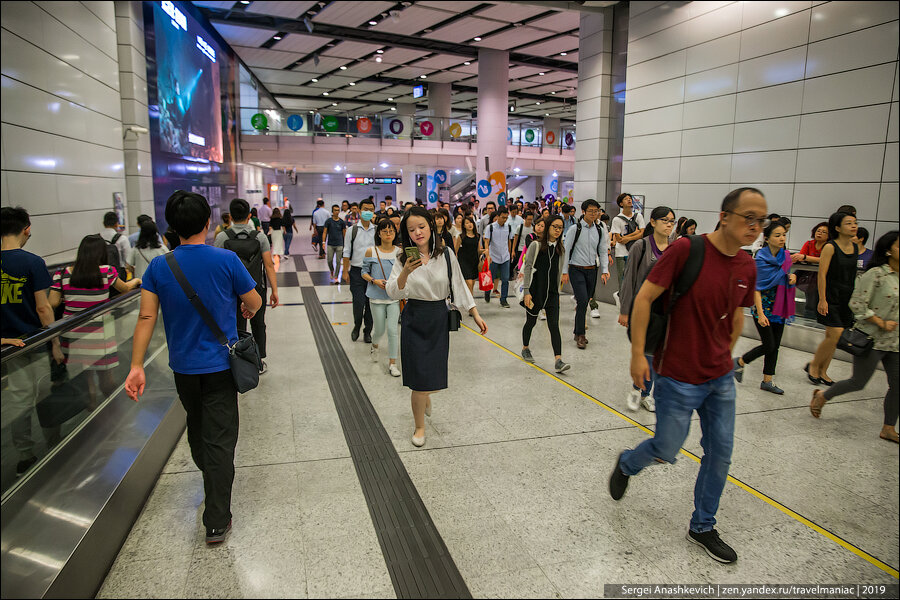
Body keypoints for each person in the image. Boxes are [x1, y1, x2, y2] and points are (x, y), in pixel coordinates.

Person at [609, 187, 765, 565]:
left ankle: (702, 526)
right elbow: (644, 297)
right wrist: (637, 354)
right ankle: (628, 463)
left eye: (762, 220)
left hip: (719, 378)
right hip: (676, 374)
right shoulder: (687, 250)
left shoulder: (746, 265)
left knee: (720, 453)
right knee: (667, 449)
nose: (756, 226)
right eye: (749, 218)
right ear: (725, 216)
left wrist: (723, 357)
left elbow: (738, 315)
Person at [125, 190, 262, 545]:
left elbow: (145, 317)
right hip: (219, 366)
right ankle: (217, 519)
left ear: (172, 227)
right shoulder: (226, 259)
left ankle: (211, 479)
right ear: (208, 223)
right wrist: (246, 308)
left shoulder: (159, 266)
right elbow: (254, 301)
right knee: (220, 438)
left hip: (183, 369)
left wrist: (136, 365)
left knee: (199, 428)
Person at [385, 207, 487, 447]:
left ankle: (426, 393)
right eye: (411, 230)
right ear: (406, 233)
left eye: (421, 226)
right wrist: (405, 273)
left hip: (438, 317)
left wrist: (475, 313)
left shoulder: (446, 254)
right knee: (419, 380)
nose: (418, 232)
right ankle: (419, 426)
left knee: (432, 376)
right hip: (414, 317)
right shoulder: (402, 258)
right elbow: (392, 292)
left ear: (431, 225)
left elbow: (459, 285)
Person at [810, 231, 898, 443]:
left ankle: (888, 427)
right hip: (871, 338)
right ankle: (822, 396)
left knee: (898, 385)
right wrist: (880, 322)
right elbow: (856, 304)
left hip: (895, 342)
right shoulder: (876, 274)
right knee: (858, 382)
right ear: (887, 250)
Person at [1, 206, 61, 476]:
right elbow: (43, 308)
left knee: (18, 400)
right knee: (45, 393)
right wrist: (55, 343)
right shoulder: (32, 262)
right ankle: (55, 444)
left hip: (8, 346)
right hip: (34, 341)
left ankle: (25, 455)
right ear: (26, 229)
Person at [50, 235, 142, 406]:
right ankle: (114, 410)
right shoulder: (107, 271)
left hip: (74, 335)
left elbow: (52, 303)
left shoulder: (61, 273)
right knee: (106, 376)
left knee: (87, 379)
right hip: (101, 333)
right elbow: (125, 288)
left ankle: (91, 407)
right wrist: (136, 280)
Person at [618, 206, 676, 412]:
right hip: (645, 310)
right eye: (665, 220)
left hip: (667, 312)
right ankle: (641, 391)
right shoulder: (641, 247)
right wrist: (625, 310)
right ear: (652, 222)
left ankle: (646, 390)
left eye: (672, 221)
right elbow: (629, 280)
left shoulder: (675, 249)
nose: (669, 224)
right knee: (649, 353)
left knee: (661, 355)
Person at [215, 198, 279, 374]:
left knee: (236, 325)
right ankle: (258, 361)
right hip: (256, 289)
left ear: (231, 216)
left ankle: (238, 362)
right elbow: (268, 265)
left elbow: (217, 266)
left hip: (230, 292)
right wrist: (274, 290)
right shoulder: (259, 237)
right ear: (249, 215)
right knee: (258, 324)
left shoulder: (222, 237)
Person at [733, 221, 797, 395]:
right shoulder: (760, 260)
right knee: (769, 345)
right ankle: (739, 362)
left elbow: (785, 277)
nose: (782, 238)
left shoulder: (785, 257)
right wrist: (760, 313)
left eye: (784, 234)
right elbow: (756, 289)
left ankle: (767, 380)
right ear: (767, 239)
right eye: (777, 235)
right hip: (763, 308)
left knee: (774, 346)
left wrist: (791, 277)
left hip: (780, 307)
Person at [807, 212, 859, 385]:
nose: (853, 226)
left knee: (833, 336)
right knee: (834, 334)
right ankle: (814, 366)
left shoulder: (855, 246)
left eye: (855, 223)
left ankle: (823, 370)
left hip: (847, 296)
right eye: (848, 223)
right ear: (837, 228)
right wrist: (822, 299)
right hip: (830, 294)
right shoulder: (830, 247)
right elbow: (822, 275)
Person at [520, 215, 570, 374]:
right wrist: (527, 291)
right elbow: (527, 268)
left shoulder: (560, 248)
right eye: (554, 226)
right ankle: (525, 348)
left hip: (552, 294)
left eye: (560, 227)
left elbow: (557, 272)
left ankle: (558, 360)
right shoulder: (535, 245)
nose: (557, 230)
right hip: (536, 292)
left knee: (554, 326)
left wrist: (558, 294)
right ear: (548, 227)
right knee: (531, 322)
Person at [563, 199, 610, 349]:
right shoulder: (574, 229)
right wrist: (564, 271)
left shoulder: (599, 230)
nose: (594, 214)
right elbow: (566, 251)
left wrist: (605, 270)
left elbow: (602, 251)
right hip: (576, 269)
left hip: (592, 270)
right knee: (582, 300)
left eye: (596, 211)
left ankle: (577, 331)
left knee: (586, 300)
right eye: (590, 211)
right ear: (583, 212)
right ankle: (581, 334)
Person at [361, 220, 402, 377]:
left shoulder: (399, 252)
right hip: (376, 297)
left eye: (391, 231)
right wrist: (374, 280)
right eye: (385, 231)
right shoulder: (371, 251)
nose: (388, 233)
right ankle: (375, 344)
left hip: (393, 297)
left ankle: (393, 363)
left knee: (392, 330)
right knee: (379, 329)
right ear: (379, 234)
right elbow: (363, 272)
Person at [343, 198, 377, 342]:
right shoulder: (352, 230)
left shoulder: (377, 230)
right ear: (359, 210)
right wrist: (345, 271)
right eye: (365, 209)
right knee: (359, 302)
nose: (368, 212)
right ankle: (357, 325)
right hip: (356, 271)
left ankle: (367, 331)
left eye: (370, 209)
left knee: (370, 305)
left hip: (373, 272)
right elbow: (346, 251)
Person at [610, 193, 646, 290]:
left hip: (635, 250)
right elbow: (619, 239)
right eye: (626, 199)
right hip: (621, 253)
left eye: (630, 199)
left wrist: (627, 238)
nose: (629, 200)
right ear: (621, 204)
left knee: (636, 276)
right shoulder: (617, 219)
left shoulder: (638, 216)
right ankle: (622, 298)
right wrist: (635, 233)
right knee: (623, 278)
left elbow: (642, 233)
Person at [483, 206, 513, 308]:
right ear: (498, 216)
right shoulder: (490, 227)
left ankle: (503, 299)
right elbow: (486, 241)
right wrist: (487, 254)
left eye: (506, 218)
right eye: (503, 217)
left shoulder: (508, 227)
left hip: (505, 257)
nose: (504, 219)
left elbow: (509, 240)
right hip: (493, 257)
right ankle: (487, 292)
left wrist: (511, 252)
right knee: (490, 279)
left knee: (505, 279)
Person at [454, 215, 486, 297]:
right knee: (469, 283)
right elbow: (455, 251)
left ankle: (469, 300)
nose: (469, 224)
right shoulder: (461, 237)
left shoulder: (477, 236)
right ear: (464, 226)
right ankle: (471, 304)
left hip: (474, 262)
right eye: (467, 223)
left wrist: (486, 251)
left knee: (472, 283)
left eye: (471, 222)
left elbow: (478, 250)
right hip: (464, 262)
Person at [100, 211, 132, 276]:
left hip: (100, 273)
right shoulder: (122, 238)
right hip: (118, 273)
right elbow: (128, 260)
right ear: (116, 224)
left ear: (103, 223)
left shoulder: (97, 238)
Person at [322, 204, 347, 283]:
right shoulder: (328, 221)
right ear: (332, 211)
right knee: (329, 260)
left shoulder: (341, 222)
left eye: (338, 210)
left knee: (338, 261)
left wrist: (346, 244)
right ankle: (332, 270)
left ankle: (336, 277)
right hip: (330, 244)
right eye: (335, 210)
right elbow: (325, 232)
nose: (337, 212)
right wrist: (323, 242)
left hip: (339, 244)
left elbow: (344, 234)